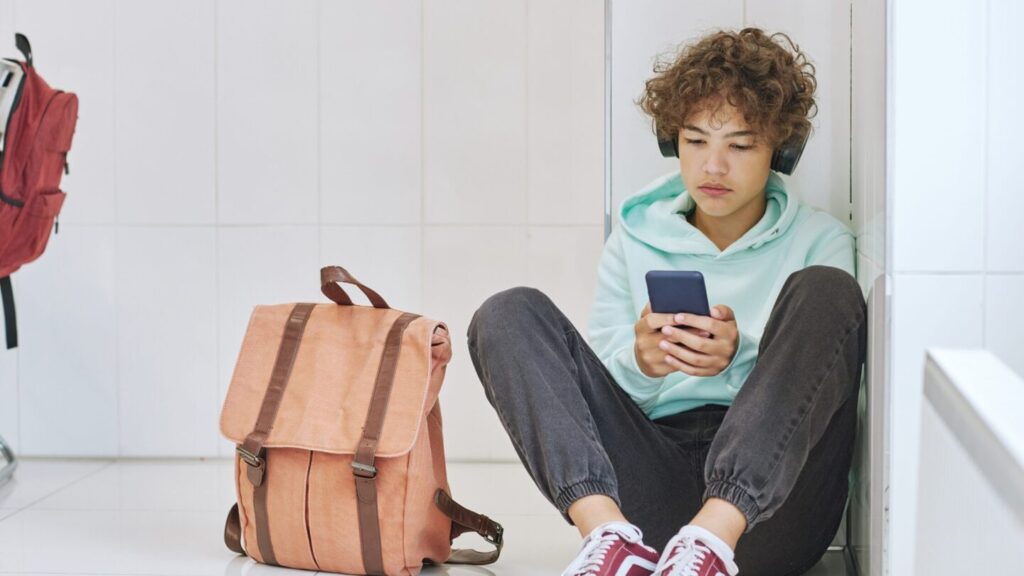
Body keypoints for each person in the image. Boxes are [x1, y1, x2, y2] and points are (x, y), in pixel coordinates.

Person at [467, 27, 866, 576]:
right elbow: (595, 399)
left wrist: (739, 358)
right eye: (696, 141)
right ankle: (607, 539)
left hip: (767, 518)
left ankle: (711, 538)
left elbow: (822, 390)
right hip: (649, 493)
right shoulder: (633, 238)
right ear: (672, 141)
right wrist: (644, 364)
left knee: (827, 290)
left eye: (740, 145)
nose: (713, 167)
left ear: (781, 150)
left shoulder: (820, 241)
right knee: (507, 313)